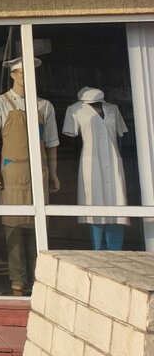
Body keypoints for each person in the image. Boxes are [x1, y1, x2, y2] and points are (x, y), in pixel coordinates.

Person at [0, 57, 59, 295]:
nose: (27, 77)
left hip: (39, 171)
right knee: (13, 226)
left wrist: (54, 172)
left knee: (38, 227)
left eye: (30, 72)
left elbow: (51, 142)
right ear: (13, 75)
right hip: (12, 172)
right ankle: (17, 281)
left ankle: (39, 280)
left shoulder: (44, 106)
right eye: (22, 73)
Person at [63, 86, 129, 250]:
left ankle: (116, 251)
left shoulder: (113, 109)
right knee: (94, 205)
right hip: (91, 163)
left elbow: (120, 135)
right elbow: (72, 141)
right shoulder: (75, 110)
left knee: (117, 205)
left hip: (113, 161)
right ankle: (97, 250)